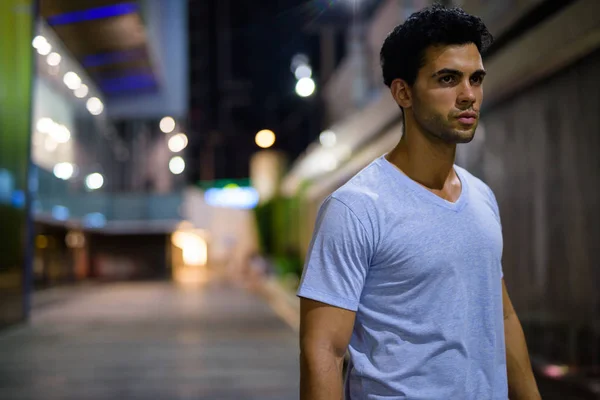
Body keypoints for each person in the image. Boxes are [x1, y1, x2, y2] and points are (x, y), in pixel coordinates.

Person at [298, 4, 541, 400]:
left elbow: (503, 314)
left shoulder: (481, 197)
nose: (468, 96)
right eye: (448, 79)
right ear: (403, 92)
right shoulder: (356, 208)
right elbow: (323, 350)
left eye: (475, 79)